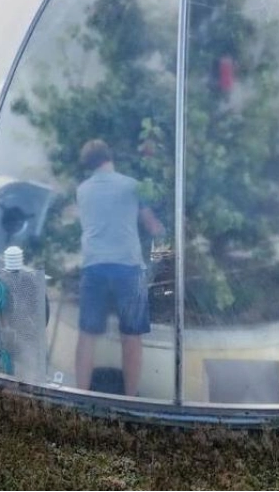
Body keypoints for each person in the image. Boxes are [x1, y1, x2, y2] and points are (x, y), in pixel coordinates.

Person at [74, 139, 164, 396]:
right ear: (110, 157)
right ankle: (130, 397)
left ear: (89, 164)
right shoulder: (132, 186)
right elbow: (152, 226)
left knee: (87, 335)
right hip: (129, 268)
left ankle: (79, 395)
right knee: (132, 336)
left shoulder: (82, 190)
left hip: (93, 267)